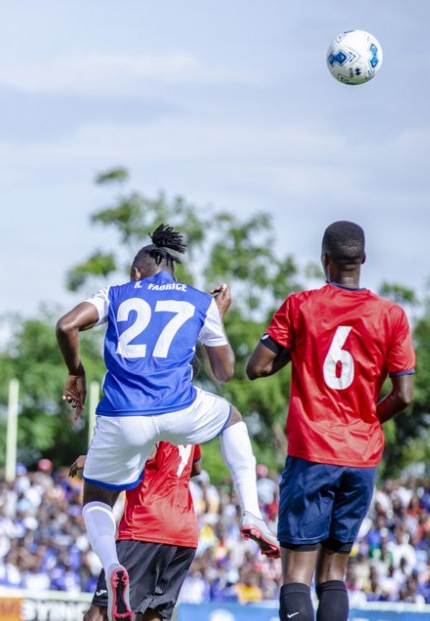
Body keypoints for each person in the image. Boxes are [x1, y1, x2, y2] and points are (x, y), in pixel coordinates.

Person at [56, 225, 279, 621]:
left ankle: (113, 567)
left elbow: (66, 325)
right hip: (179, 410)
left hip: (123, 415)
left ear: (136, 272)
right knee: (231, 418)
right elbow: (224, 372)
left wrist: (76, 372)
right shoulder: (199, 301)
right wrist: (214, 318)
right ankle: (252, 514)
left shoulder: (117, 293)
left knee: (97, 500)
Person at [245, 221, 415, 621]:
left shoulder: (301, 306)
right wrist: (368, 420)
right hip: (360, 457)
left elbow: (256, 368)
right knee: (334, 573)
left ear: (325, 260)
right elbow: (404, 395)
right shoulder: (392, 315)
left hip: (312, 452)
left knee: (296, 574)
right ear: (364, 258)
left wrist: (298, 345)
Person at [72, 441, 202, 621]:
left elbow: (149, 452)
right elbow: (196, 468)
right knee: (154, 614)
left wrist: (95, 459)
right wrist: (168, 474)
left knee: (99, 614)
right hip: (185, 532)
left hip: (146, 527)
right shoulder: (188, 427)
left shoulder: (155, 422)